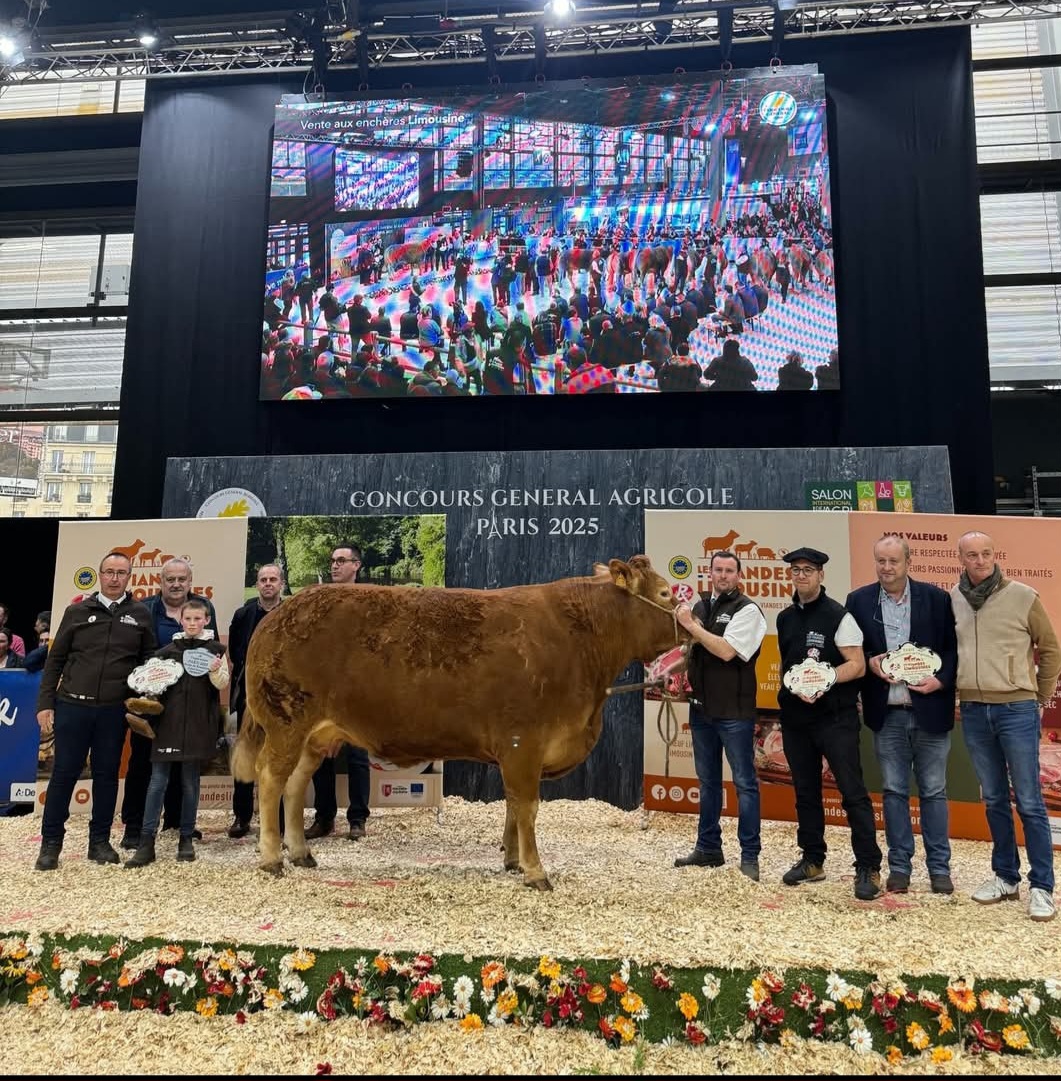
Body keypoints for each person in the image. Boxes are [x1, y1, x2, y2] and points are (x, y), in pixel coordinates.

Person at [951, 530, 1061, 921]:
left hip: (1017, 709)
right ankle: (1005, 877)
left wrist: (1038, 698)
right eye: (971, 555)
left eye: (985, 553)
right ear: (961, 558)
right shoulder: (954, 599)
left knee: (1029, 802)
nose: (980, 561)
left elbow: (1050, 649)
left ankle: (1043, 887)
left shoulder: (1023, 596)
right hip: (976, 711)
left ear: (994, 555)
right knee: (994, 799)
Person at [845, 536, 958, 894]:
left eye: (894, 561)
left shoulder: (937, 599)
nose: (887, 568)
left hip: (930, 709)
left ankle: (940, 869)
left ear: (908, 561)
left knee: (934, 791)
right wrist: (870, 664)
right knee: (893, 791)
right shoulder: (859, 601)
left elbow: (953, 651)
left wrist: (940, 681)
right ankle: (899, 868)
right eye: (880, 561)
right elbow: (853, 652)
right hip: (887, 711)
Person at [34, 551, 156, 871]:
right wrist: (45, 703)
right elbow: (55, 661)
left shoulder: (141, 615)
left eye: (121, 573)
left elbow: (149, 663)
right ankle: (50, 845)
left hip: (113, 712)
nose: (114, 578)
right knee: (64, 774)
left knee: (106, 777)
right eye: (109, 572)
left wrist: (144, 697)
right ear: (100, 575)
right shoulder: (76, 611)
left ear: (129, 577)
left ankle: (99, 843)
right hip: (72, 705)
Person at [776, 547, 883, 900]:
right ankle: (812, 860)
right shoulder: (785, 618)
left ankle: (868, 866)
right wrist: (799, 687)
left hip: (835, 719)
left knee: (852, 793)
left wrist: (822, 679)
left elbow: (856, 664)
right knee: (805, 793)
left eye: (808, 570)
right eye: (796, 570)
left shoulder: (841, 616)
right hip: (796, 719)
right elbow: (789, 667)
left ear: (822, 575)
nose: (801, 576)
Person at [673, 551, 767, 880]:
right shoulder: (701, 606)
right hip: (701, 709)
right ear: (709, 572)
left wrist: (689, 625)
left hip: (734, 713)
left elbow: (726, 651)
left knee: (744, 783)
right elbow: (693, 649)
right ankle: (708, 848)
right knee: (708, 783)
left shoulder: (748, 610)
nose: (723, 575)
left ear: (739, 575)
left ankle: (750, 856)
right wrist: (675, 672)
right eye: (718, 569)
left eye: (729, 570)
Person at [121, 559, 218, 850]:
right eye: (170, 579)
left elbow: (209, 651)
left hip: (189, 702)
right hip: (152, 700)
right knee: (142, 763)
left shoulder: (204, 607)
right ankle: (134, 826)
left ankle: (176, 821)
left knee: (183, 763)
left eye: (182, 579)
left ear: (190, 582)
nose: (176, 584)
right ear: (160, 581)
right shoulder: (145, 608)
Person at [305, 545, 371, 841]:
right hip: (326, 689)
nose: (334, 566)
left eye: (341, 561)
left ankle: (358, 819)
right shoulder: (321, 601)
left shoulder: (371, 599)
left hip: (359, 690)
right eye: (332, 561)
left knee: (358, 756)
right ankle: (324, 817)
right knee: (322, 754)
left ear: (356, 565)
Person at [227, 563, 285, 837]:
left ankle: (281, 819)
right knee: (247, 755)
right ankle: (241, 816)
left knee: (281, 756)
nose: (268, 583)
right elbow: (236, 653)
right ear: (257, 584)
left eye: (273, 579)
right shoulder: (243, 615)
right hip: (250, 697)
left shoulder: (292, 614)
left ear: (281, 584)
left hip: (283, 700)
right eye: (263, 579)